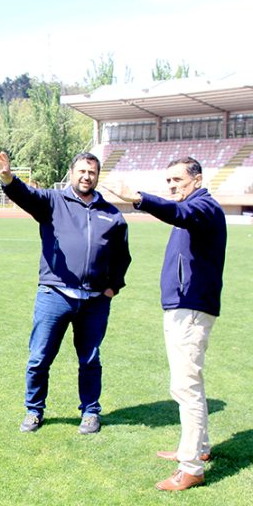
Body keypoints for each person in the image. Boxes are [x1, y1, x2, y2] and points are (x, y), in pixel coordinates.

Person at [102, 157, 226, 491]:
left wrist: (137, 198)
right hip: (184, 307)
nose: (171, 186)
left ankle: (191, 469)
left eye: (178, 180)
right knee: (188, 384)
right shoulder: (195, 207)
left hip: (191, 309)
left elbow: (179, 214)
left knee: (186, 386)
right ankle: (197, 449)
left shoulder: (204, 208)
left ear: (197, 180)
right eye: (168, 181)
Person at [0, 151, 131, 435]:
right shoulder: (53, 202)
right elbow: (26, 196)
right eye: (81, 171)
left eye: (91, 172)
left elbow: (122, 256)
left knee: (90, 360)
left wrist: (112, 287)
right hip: (54, 295)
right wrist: (8, 178)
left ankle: (90, 412)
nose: (86, 176)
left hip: (94, 302)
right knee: (39, 358)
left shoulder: (112, 215)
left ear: (97, 176)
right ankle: (34, 410)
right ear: (72, 173)